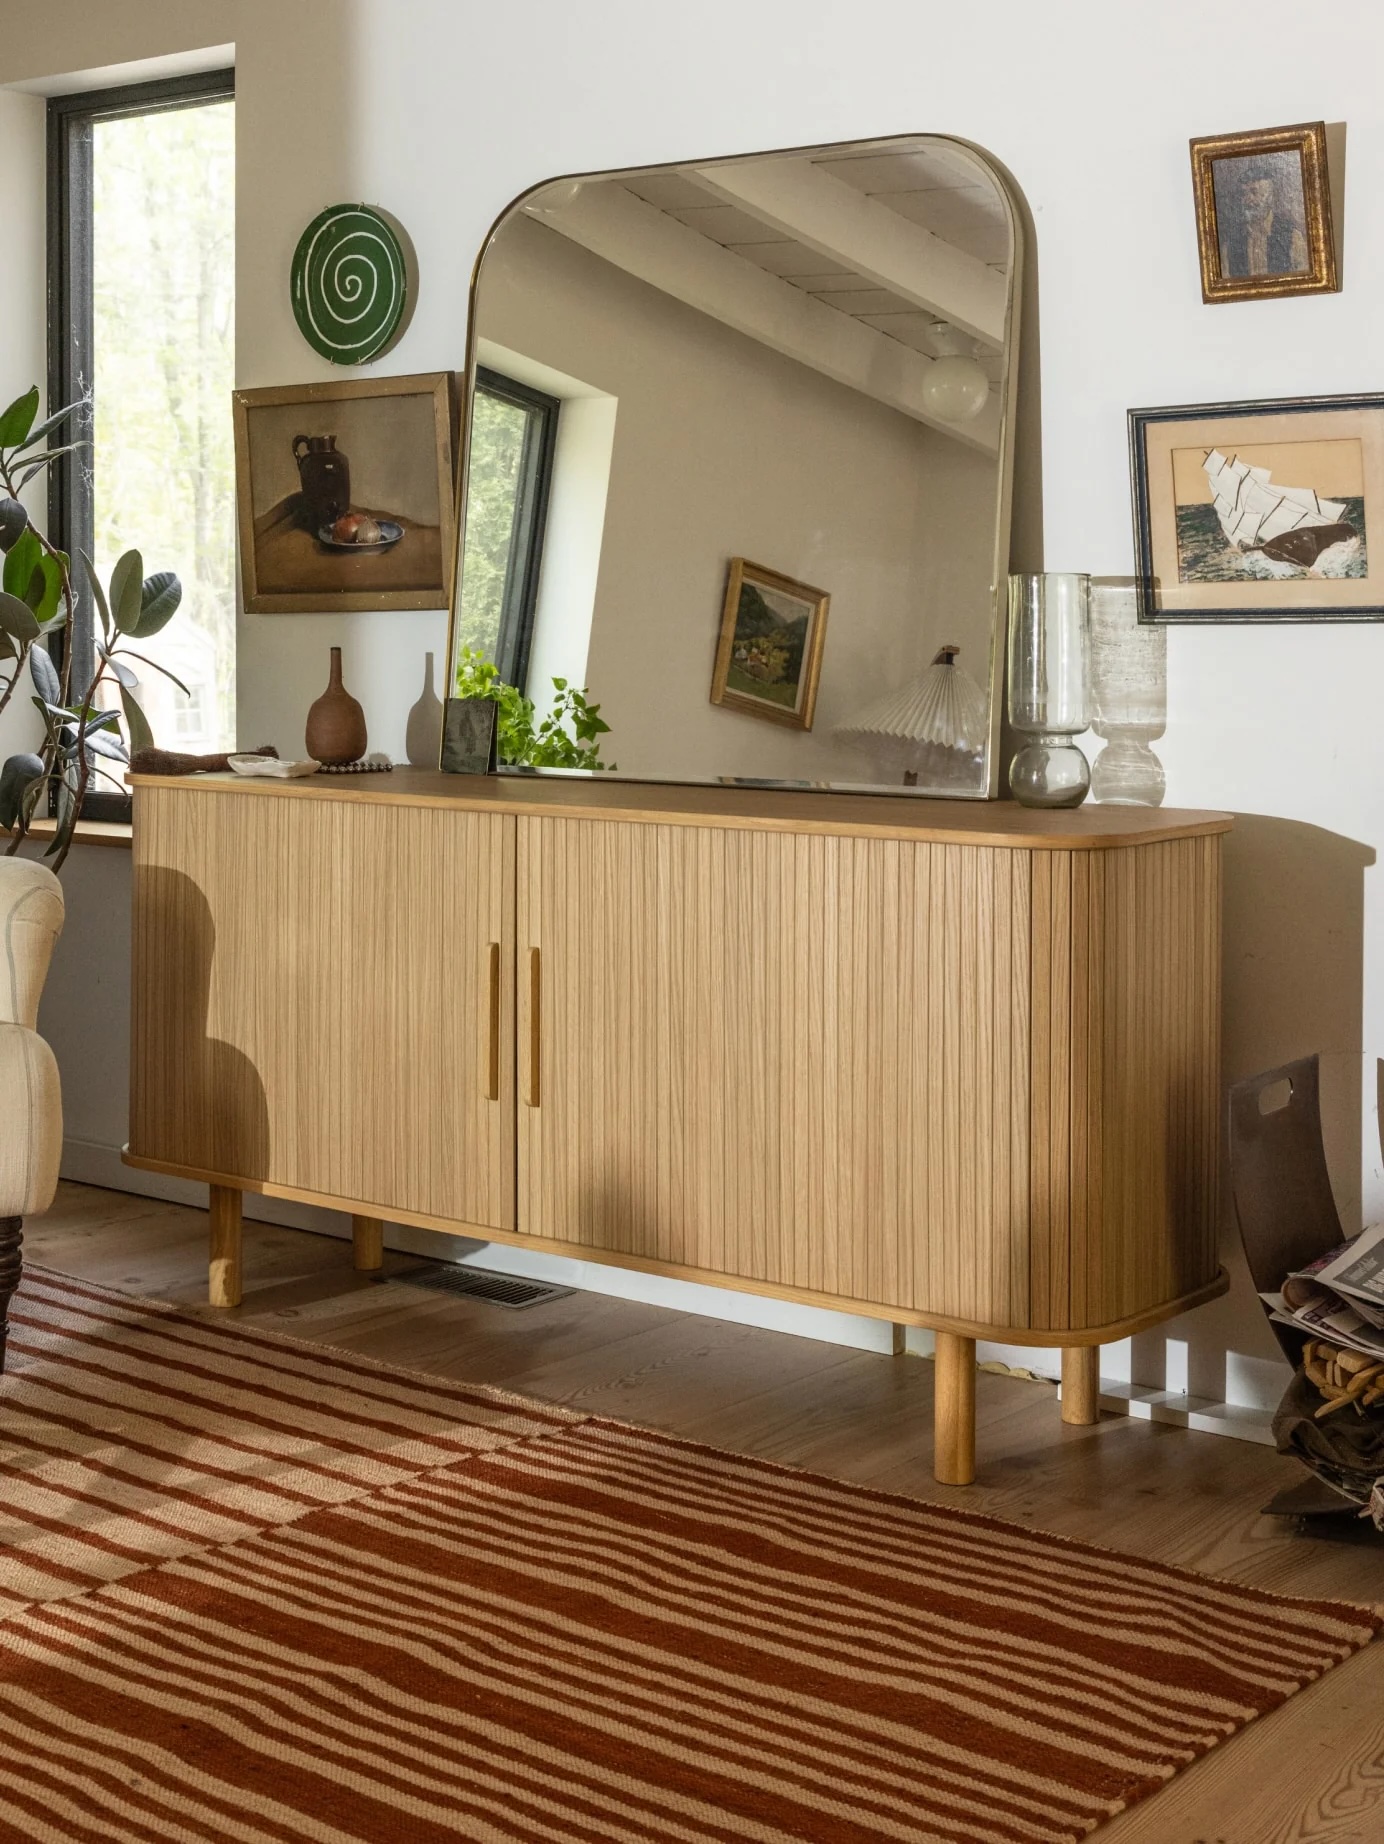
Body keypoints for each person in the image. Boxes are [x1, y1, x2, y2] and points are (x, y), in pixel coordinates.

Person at [1218, 159, 1309, 278]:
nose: (1247, 199)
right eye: (1244, 193)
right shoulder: (1230, 243)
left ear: (1270, 197)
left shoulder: (1292, 236)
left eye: (1254, 192)